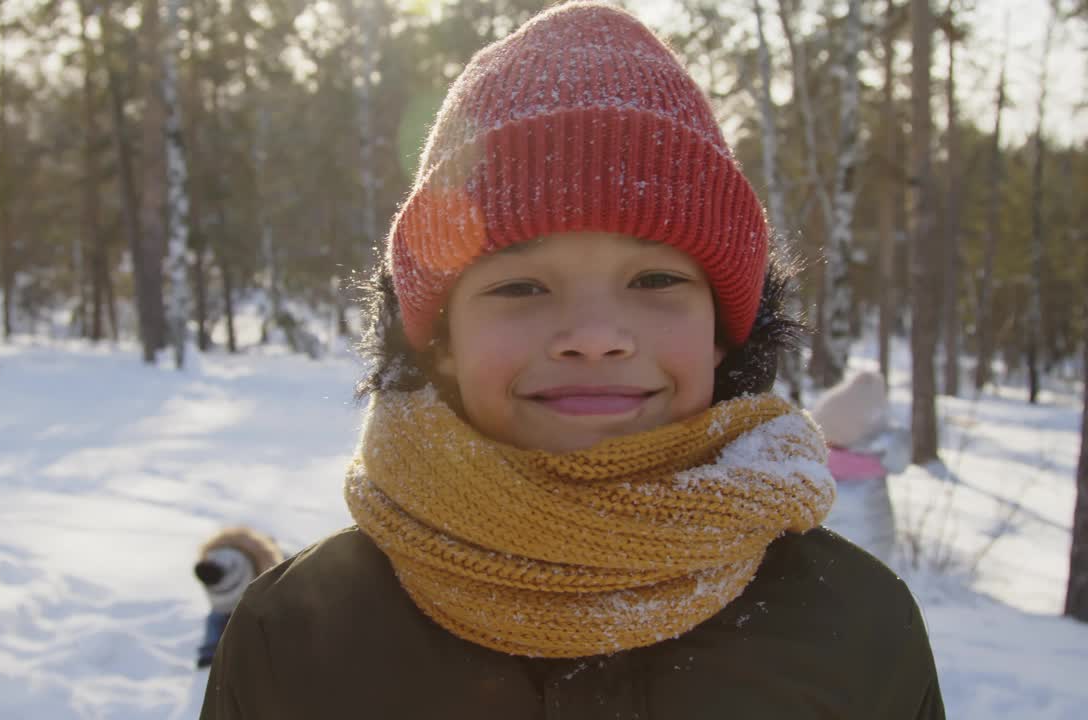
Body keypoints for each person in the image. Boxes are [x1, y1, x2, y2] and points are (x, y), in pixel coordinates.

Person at [199, 3, 945, 718]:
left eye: (655, 280)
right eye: (520, 286)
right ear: (442, 342)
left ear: (724, 333)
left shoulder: (861, 630)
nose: (594, 336)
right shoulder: (296, 636)